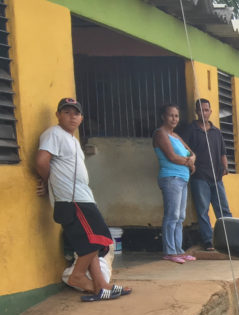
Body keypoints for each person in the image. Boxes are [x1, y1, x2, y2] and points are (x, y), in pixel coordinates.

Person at [36, 97, 131, 302]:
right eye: (67, 112)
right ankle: (78, 276)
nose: (72, 116)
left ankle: (101, 286)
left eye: (76, 113)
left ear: (81, 118)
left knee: (93, 243)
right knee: (97, 240)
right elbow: (42, 161)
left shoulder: (72, 139)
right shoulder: (54, 134)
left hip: (82, 198)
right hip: (72, 200)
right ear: (58, 115)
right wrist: (46, 181)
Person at [182, 98, 232, 252]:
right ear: (196, 112)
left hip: (217, 177)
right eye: (200, 110)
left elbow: (223, 152)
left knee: (223, 210)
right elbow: (184, 150)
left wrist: (225, 166)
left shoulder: (216, 132)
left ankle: (230, 238)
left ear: (210, 111)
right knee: (203, 211)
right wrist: (190, 165)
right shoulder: (190, 130)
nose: (203, 113)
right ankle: (208, 241)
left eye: (206, 110)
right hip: (199, 177)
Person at [152, 104, 195, 263]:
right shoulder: (160, 133)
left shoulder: (176, 136)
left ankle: (179, 250)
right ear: (163, 116)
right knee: (172, 215)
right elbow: (172, 157)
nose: (174, 119)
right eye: (170, 115)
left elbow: (192, 153)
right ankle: (170, 251)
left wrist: (191, 160)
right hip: (171, 178)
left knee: (180, 216)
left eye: (176, 116)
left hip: (183, 179)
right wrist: (190, 163)